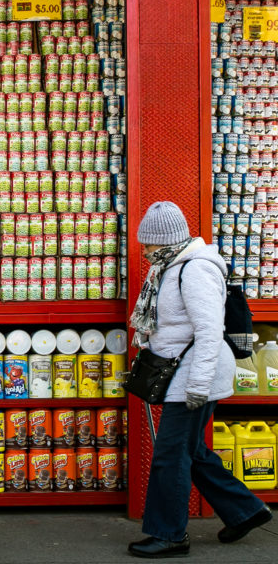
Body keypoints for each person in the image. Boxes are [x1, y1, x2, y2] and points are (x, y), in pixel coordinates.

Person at [128, 202, 272, 558]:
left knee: (170, 454)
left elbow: (209, 331)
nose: (144, 250)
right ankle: (247, 511)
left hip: (195, 374)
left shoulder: (194, 270)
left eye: (148, 244)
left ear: (165, 241)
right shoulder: (168, 267)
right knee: (191, 451)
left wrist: (197, 385)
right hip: (183, 370)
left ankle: (169, 534)